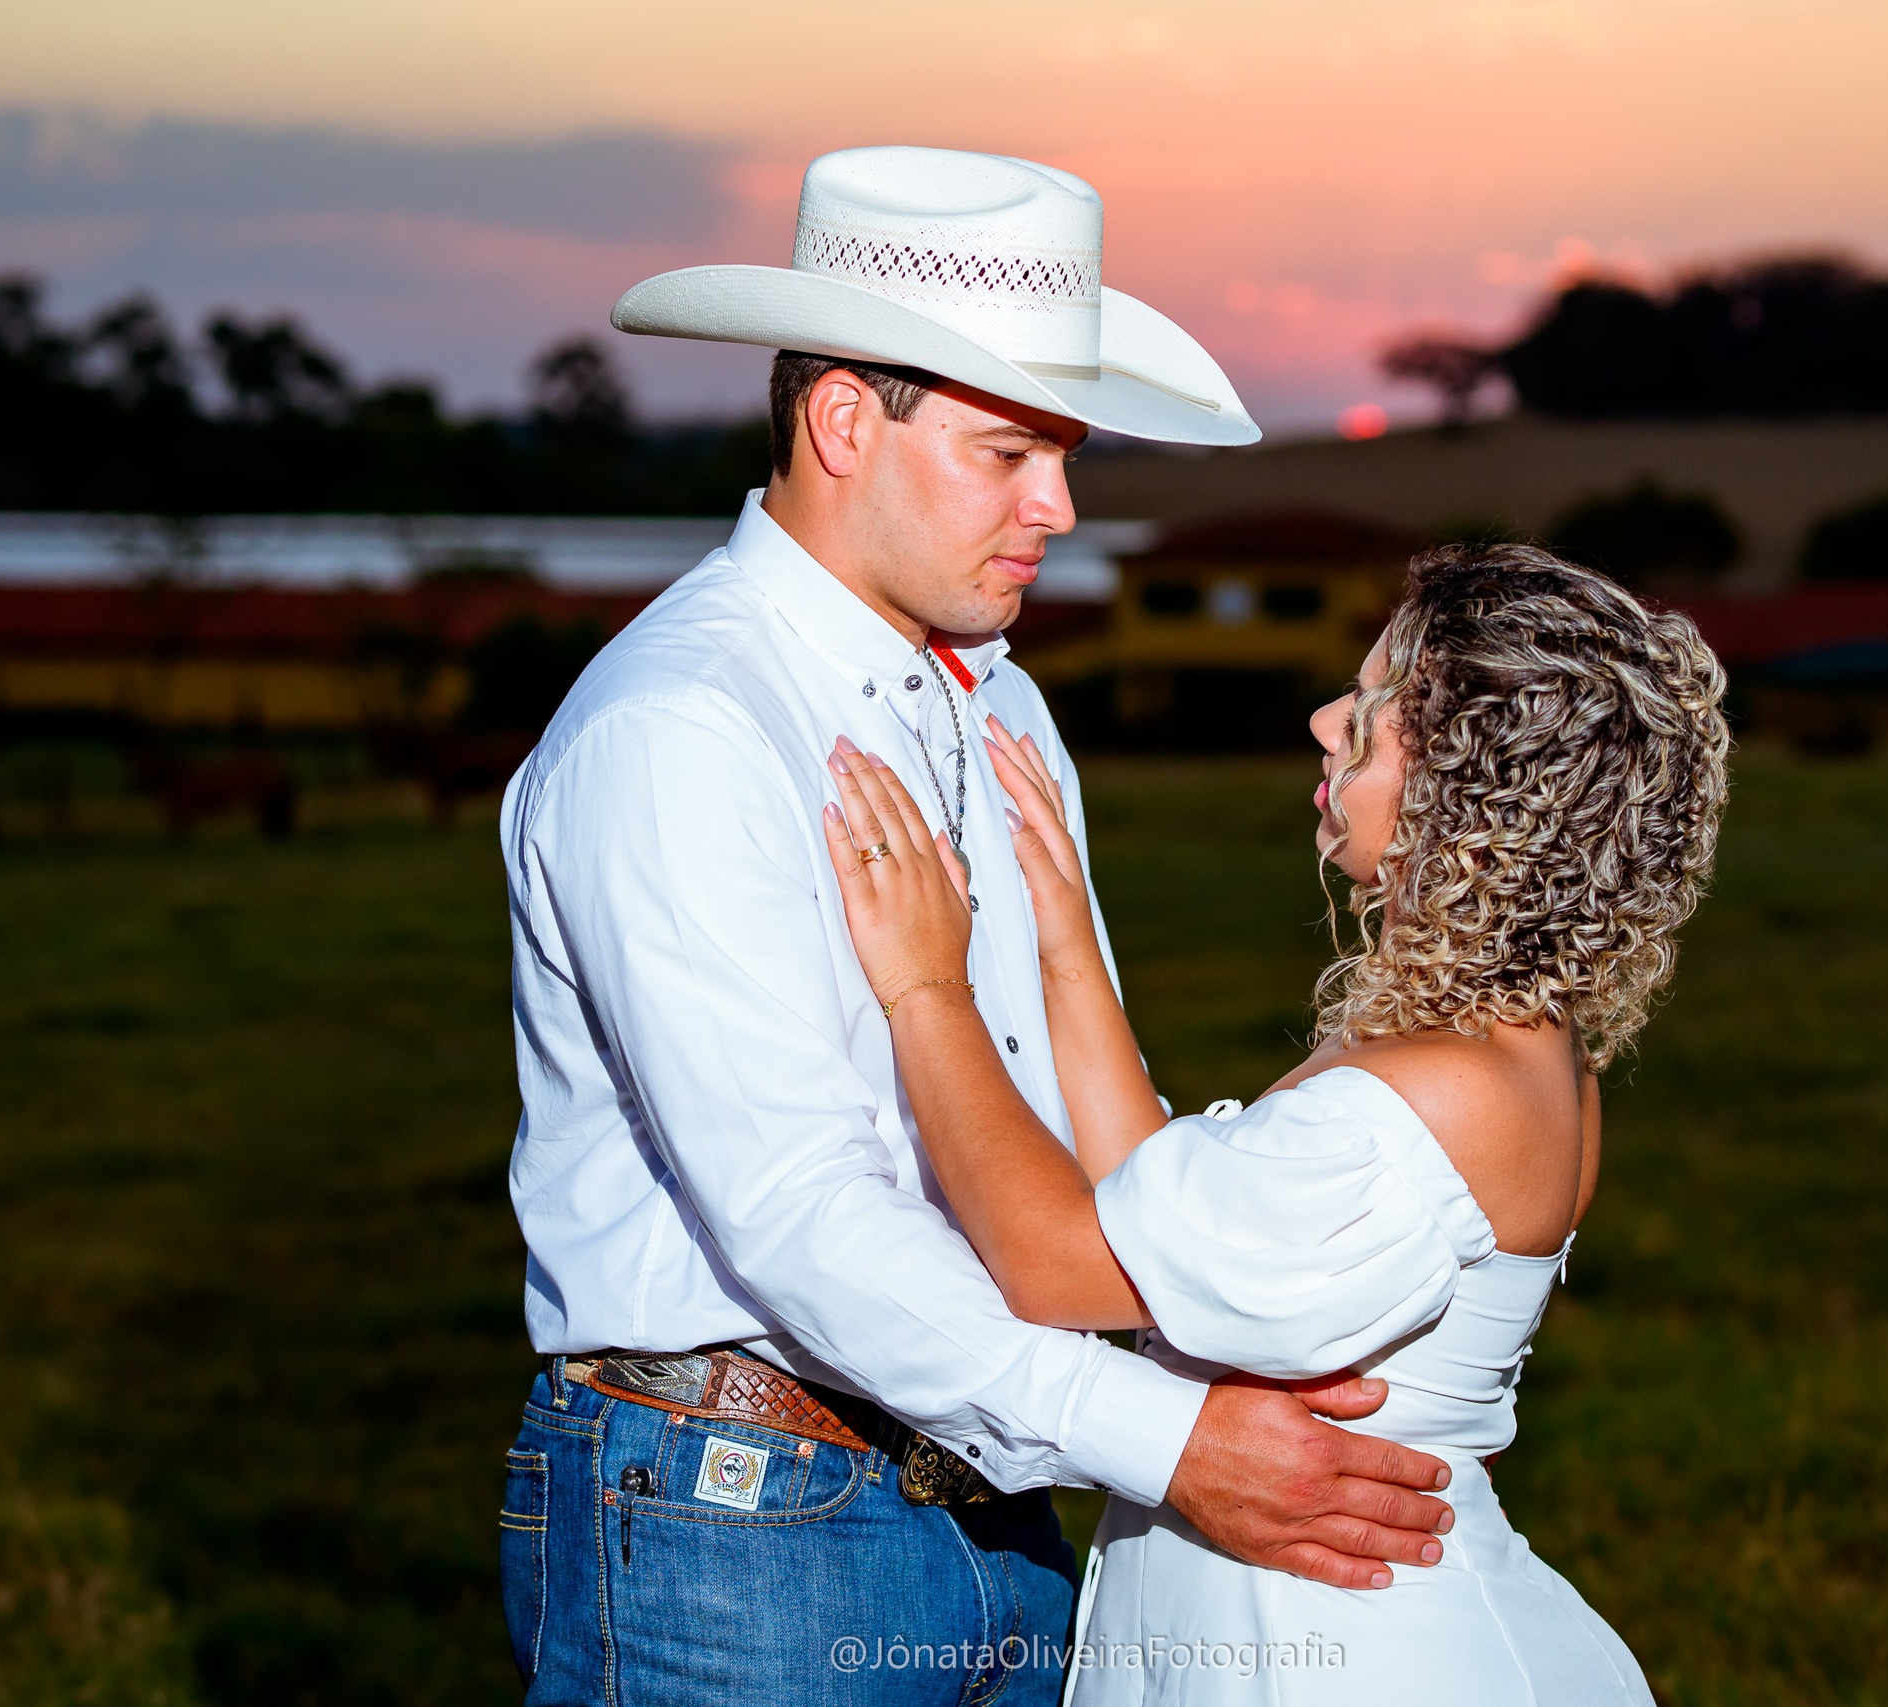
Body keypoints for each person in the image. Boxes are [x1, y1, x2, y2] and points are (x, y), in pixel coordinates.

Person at [496, 145, 1458, 1706]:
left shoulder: (998, 697)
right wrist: (1170, 1441)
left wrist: (1222, 1355)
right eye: (1011, 452)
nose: (1063, 506)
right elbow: (803, 1214)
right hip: (735, 1524)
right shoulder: (683, 728)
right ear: (839, 422)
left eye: (1064, 454)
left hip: (1002, 1489)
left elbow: (1068, 1120)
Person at [818, 543, 1732, 1703]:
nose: (1322, 720)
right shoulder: (1509, 1046)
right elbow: (1163, 1213)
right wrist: (1062, 937)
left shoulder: (1447, 1089)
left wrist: (924, 988)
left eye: (1374, 707)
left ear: (1469, 781)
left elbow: (1055, 1261)